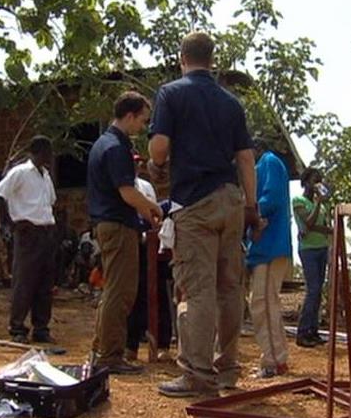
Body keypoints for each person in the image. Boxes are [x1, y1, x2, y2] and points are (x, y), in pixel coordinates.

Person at [148, 31, 259, 397]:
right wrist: (251, 207)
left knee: (196, 290)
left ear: (182, 58)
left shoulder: (171, 93)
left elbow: (160, 147)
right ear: (212, 60)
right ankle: (227, 368)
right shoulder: (231, 103)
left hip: (195, 202)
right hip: (231, 199)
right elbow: (245, 158)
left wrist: (156, 162)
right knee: (229, 288)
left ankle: (197, 372)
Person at [87, 91, 162, 375]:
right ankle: (110, 355)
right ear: (129, 116)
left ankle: (101, 348)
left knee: (113, 291)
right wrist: (152, 209)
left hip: (109, 224)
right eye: (142, 120)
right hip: (118, 225)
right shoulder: (116, 147)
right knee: (121, 292)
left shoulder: (103, 144)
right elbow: (128, 192)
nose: (142, 127)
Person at [0, 136, 58, 344]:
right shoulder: (20, 172)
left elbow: (50, 203)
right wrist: (8, 224)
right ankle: (17, 327)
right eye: (47, 151)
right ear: (38, 151)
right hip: (28, 232)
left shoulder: (46, 176)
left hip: (46, 232)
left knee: (45, 283)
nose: (50, 156)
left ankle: (41, 327)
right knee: (25, 281)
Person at [245, 138, 292, 378]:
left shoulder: (269, 162)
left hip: (271, 246)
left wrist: (247, 213)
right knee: (263, 303)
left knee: (263, 304)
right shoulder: (262, 166)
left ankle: (273, 360)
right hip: (264, 248)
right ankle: (274, 357)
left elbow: (270, 199)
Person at [126, 154, 174, 364]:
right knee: (135, 295)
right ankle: (130, 346)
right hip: (135, 243)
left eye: (138, 162)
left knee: (160, 294)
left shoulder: (146, 186)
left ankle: (163, 344)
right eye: (133, 162)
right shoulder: (123, 186)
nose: (137, 165)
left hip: (153, 245)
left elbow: (155, 213)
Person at [292, 168, 332, 348]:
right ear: (306, 182)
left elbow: (319, 227)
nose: (318, 184)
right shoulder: (298, 201)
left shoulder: (322, 206)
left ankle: (313, 331)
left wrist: (313, 228)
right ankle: (302, 331)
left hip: (321, 247)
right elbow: (307, 222)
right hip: (308, 249)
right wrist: (317, 204)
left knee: (318, 291)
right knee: (313, 289)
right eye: (315, 180)